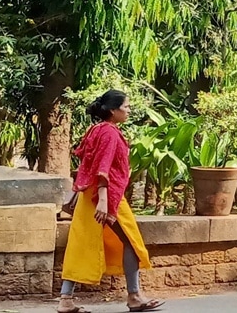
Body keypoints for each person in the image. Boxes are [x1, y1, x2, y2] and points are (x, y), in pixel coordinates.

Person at [57, 90, 162, 313]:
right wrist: (104, 200)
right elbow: (103, 167)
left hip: (88, 194)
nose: (129, 110)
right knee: (131, 241)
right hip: (106, 196)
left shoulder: (95, 129)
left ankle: (66, 299)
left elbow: (85, 158)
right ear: (113, 110)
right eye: (126, 106)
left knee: (82, 243)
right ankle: (134, 296)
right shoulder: (110, 132)